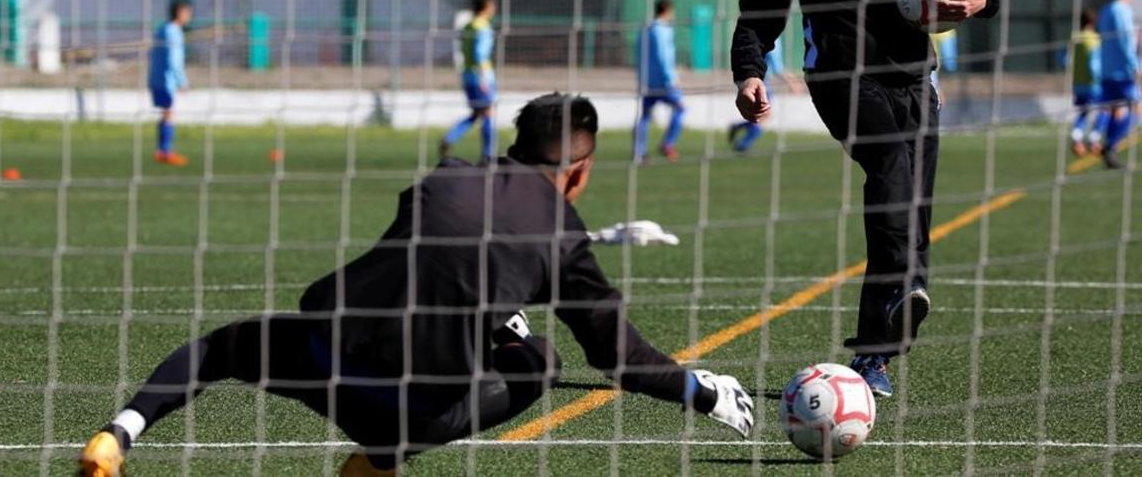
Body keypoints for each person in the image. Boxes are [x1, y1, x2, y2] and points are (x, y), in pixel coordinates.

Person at [79, 93, 754, 477]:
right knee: (542, 359)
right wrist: (701, 390)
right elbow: (619, 358)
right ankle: (378, 463)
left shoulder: (443, 176)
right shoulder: (563, 236)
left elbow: (429, 260)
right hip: (409, 410)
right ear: (580, 170)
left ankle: (116, 436)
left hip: (325, 353)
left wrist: (492, 307)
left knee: (223, 347)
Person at [730, 0, 999, 397]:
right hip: (842, 82)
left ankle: (876, 354)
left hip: (916, 84)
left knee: (913, 213)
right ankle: (901, 295)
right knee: (890, 167)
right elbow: (758, 16)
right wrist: (750, 74)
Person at [440, 0, 498, 162]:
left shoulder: (467, 26)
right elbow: (480, 54)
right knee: (488, 112)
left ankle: (450, 137)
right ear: (486, 6)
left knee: (476, 113)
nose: (494, 8)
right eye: (492, 5)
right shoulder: (482, 26)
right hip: (481, 76)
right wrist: (483, 79)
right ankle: (488, 155)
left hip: (467, 75)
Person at [727, 35, 803, 153]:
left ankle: (738, 130)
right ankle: (742, 145)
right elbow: (778, 69)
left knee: (762, 116)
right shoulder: (773, 39)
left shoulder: (768, 35)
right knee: (763, 116)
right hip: (761, 84)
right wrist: (792, 84)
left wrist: (793, 81)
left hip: (762, 82)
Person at [634, 0, 685, 162]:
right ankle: (667, 144)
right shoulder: (661, 29)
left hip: (647, 81)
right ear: (668, 10)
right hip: (663, 82)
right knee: (681, 108)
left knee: (645, 116)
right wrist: (671, 78)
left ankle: (640, 152)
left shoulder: (646, 28)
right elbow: (663, 56)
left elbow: (639, 54)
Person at [1095, 0, 1137, 169]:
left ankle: (1107, 146)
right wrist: (1135, 66)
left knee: (1113, 109)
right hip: (1122, 71)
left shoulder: (1105, 10)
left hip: (1107, 68)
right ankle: (1110, 145)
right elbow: (1125, 41)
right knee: (1135, 108)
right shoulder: (1122, 10)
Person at [148, 0, 191, 166]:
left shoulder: (162, 29)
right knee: (169, 113)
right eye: (187, 12)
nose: (189, 16)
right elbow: (174, 60)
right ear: (179, 12)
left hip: (155, 77)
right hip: (167, 80)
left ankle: (162, 150)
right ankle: (165, 151)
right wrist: (182, 81)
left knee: (166, 112)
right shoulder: (174, 32)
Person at [1066, 8, 1102, 156]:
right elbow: (1094, 63)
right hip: (1091, 84)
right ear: (1094, 22)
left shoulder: (1074, 37)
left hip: (1077, 83)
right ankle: (1094, 141)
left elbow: (1064, 60)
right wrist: (1098, 78)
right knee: (1103, 111)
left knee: (1083, 112)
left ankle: (1077, 137)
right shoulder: (1093, 38)